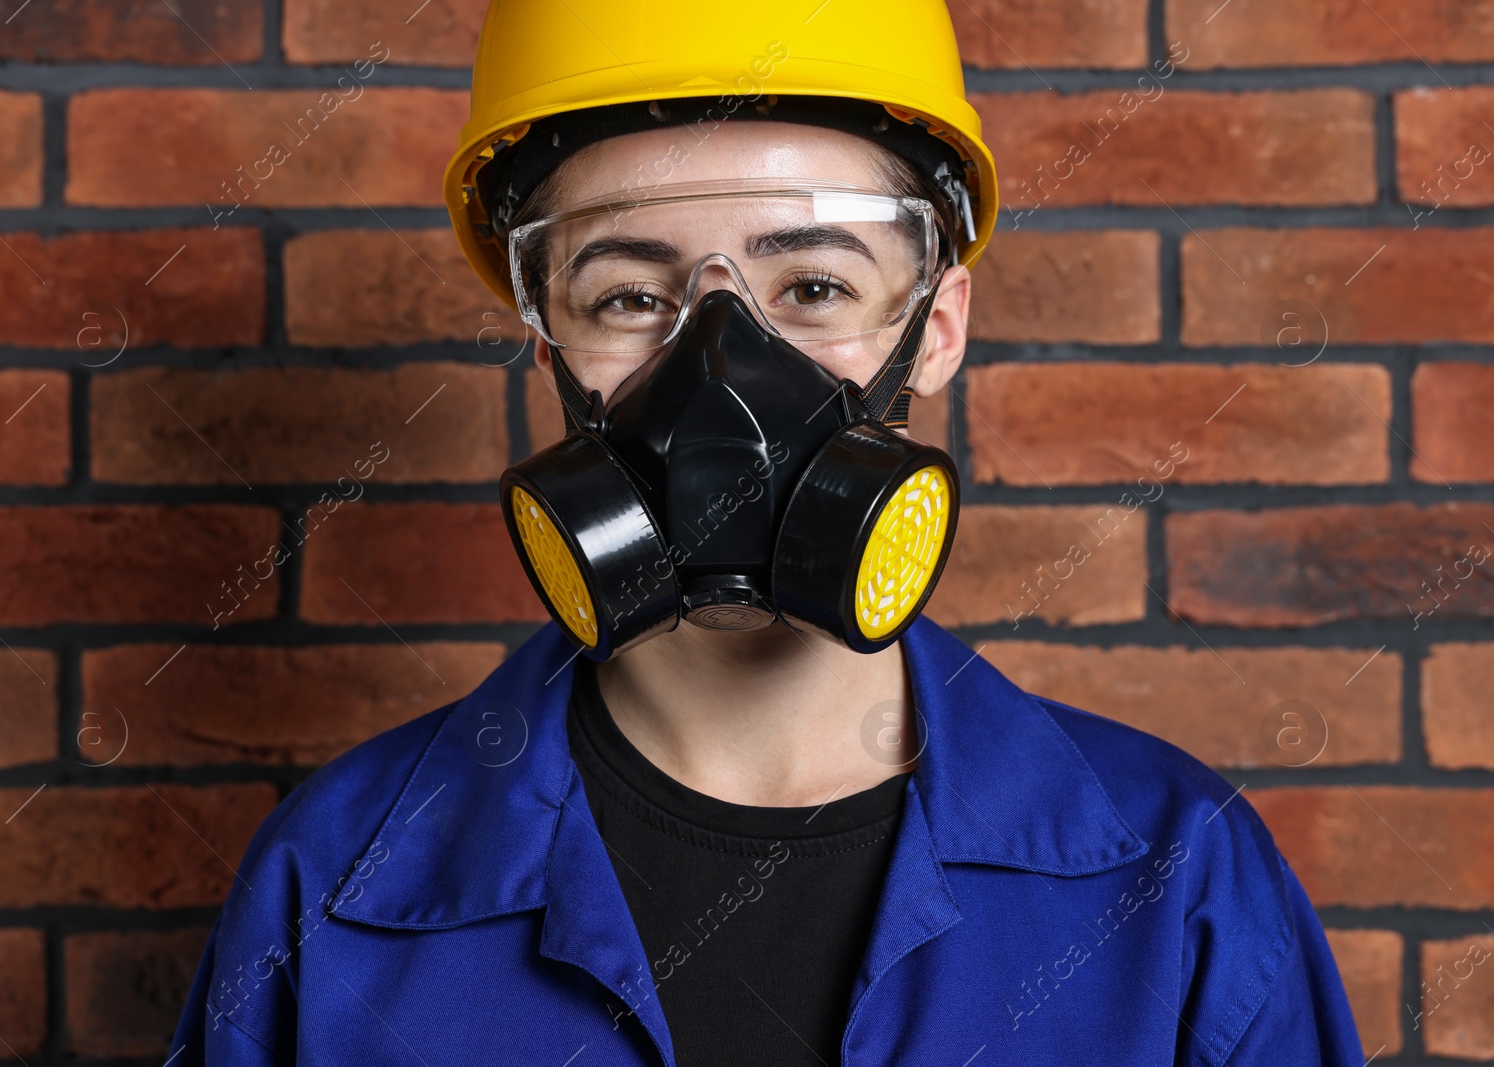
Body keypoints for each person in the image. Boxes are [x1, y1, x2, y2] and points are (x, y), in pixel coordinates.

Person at [167, 1, 1366, 1064]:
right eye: (631, 297)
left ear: (936, 328)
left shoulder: (1171, 883)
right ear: (549, 348)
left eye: (816, 288)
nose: (720, 367)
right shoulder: (334, 886)